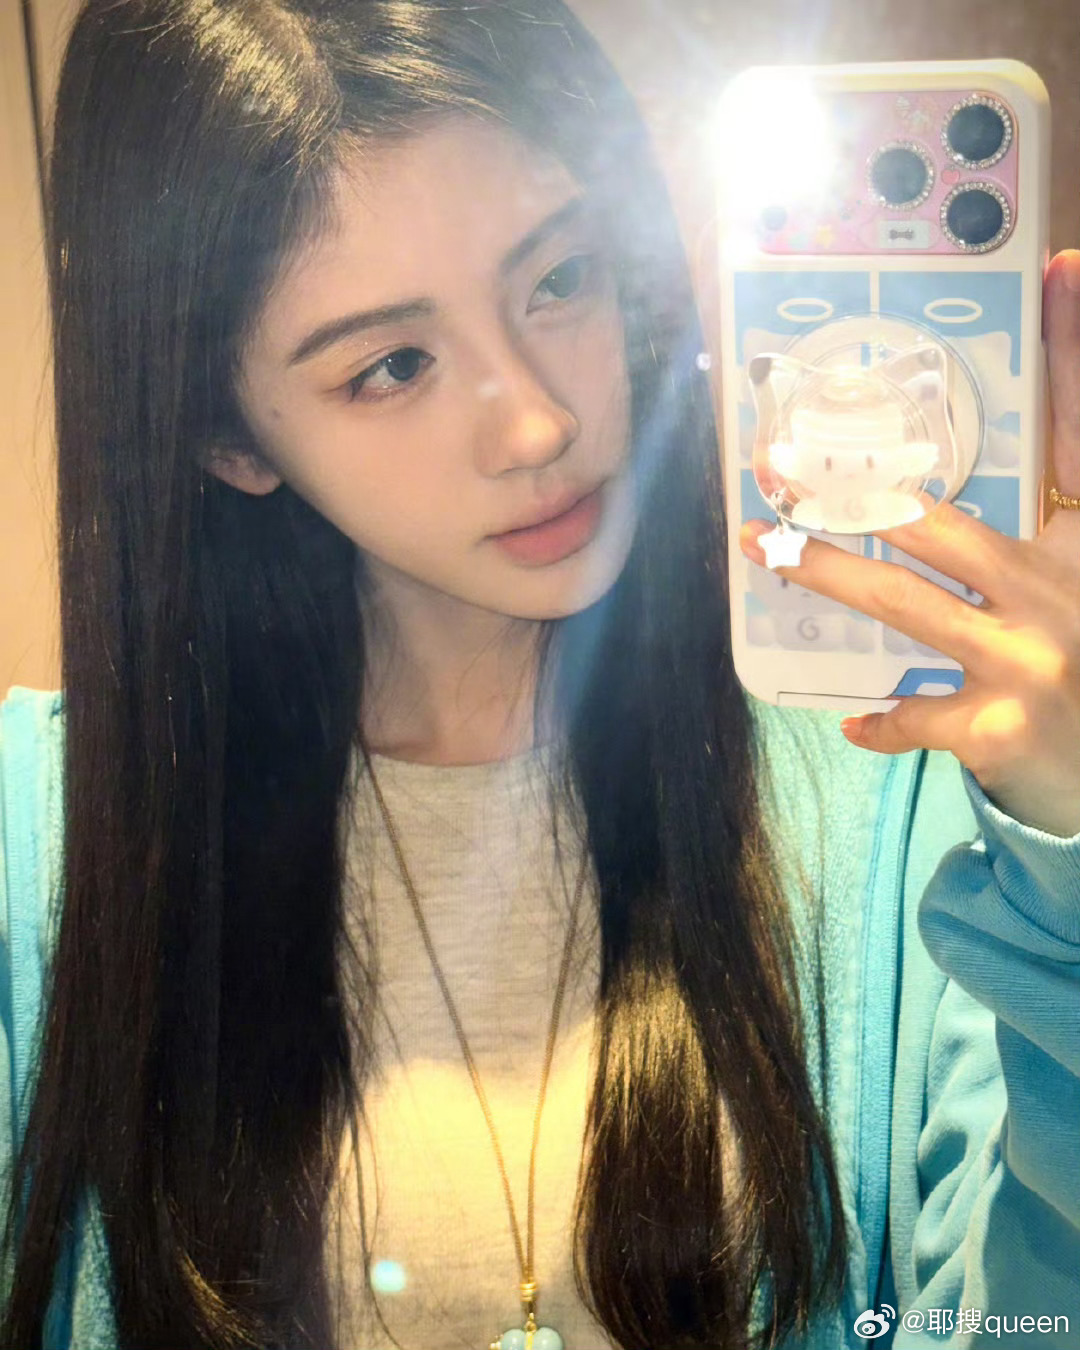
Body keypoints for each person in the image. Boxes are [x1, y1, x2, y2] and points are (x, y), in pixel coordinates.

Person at [1, 0, 1079, 1346]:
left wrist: (1066, 851)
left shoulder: (907, 793)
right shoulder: (44, 842)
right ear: (228, 436)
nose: (539, 421)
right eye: (394, 365)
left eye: (560, 279)